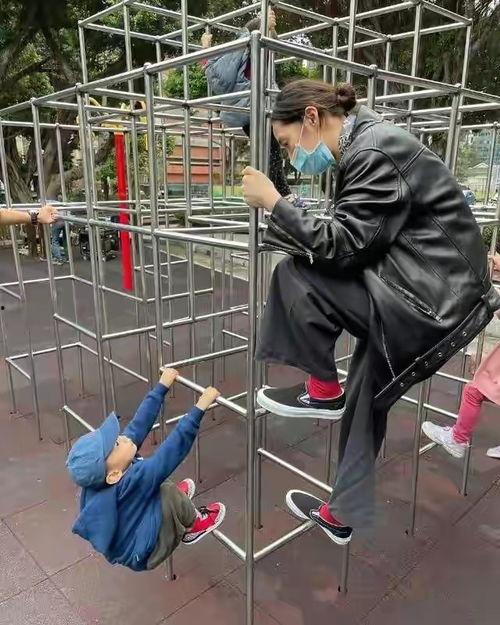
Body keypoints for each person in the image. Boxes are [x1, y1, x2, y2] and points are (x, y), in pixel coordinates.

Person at [241, 79, 500, 542]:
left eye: (286, 143)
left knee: (294, 274)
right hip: (429, 291)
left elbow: (345, 249)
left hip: (432, 301)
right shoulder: (367, 146)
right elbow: (363, 235)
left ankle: (323, 388)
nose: (291, 155)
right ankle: (341, 514)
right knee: (367, 399)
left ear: (311, 117)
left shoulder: (374, 150)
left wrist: (275, 205)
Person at [66, 369, 226, 571]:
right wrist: (199, 408)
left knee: (152, 476)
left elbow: (137, 426)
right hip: (145, 549)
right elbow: (170, 453)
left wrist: (161, 388)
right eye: (116, 444)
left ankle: (174, 504)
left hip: (132, 528)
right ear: (114, 475)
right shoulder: (132, 480)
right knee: (164, 487)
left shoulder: (102, 476)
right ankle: (193, 524)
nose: (122, 438)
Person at [201, 10, 296, 202]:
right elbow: (220, 80)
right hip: (248, 109)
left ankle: (279, 195)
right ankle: (280, 196)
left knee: (271, 151)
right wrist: (206, 50)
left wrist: (269, 26)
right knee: (269, 152)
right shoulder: (241, 48)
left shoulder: (261, 51)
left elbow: (273, 48)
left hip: (261, 105)